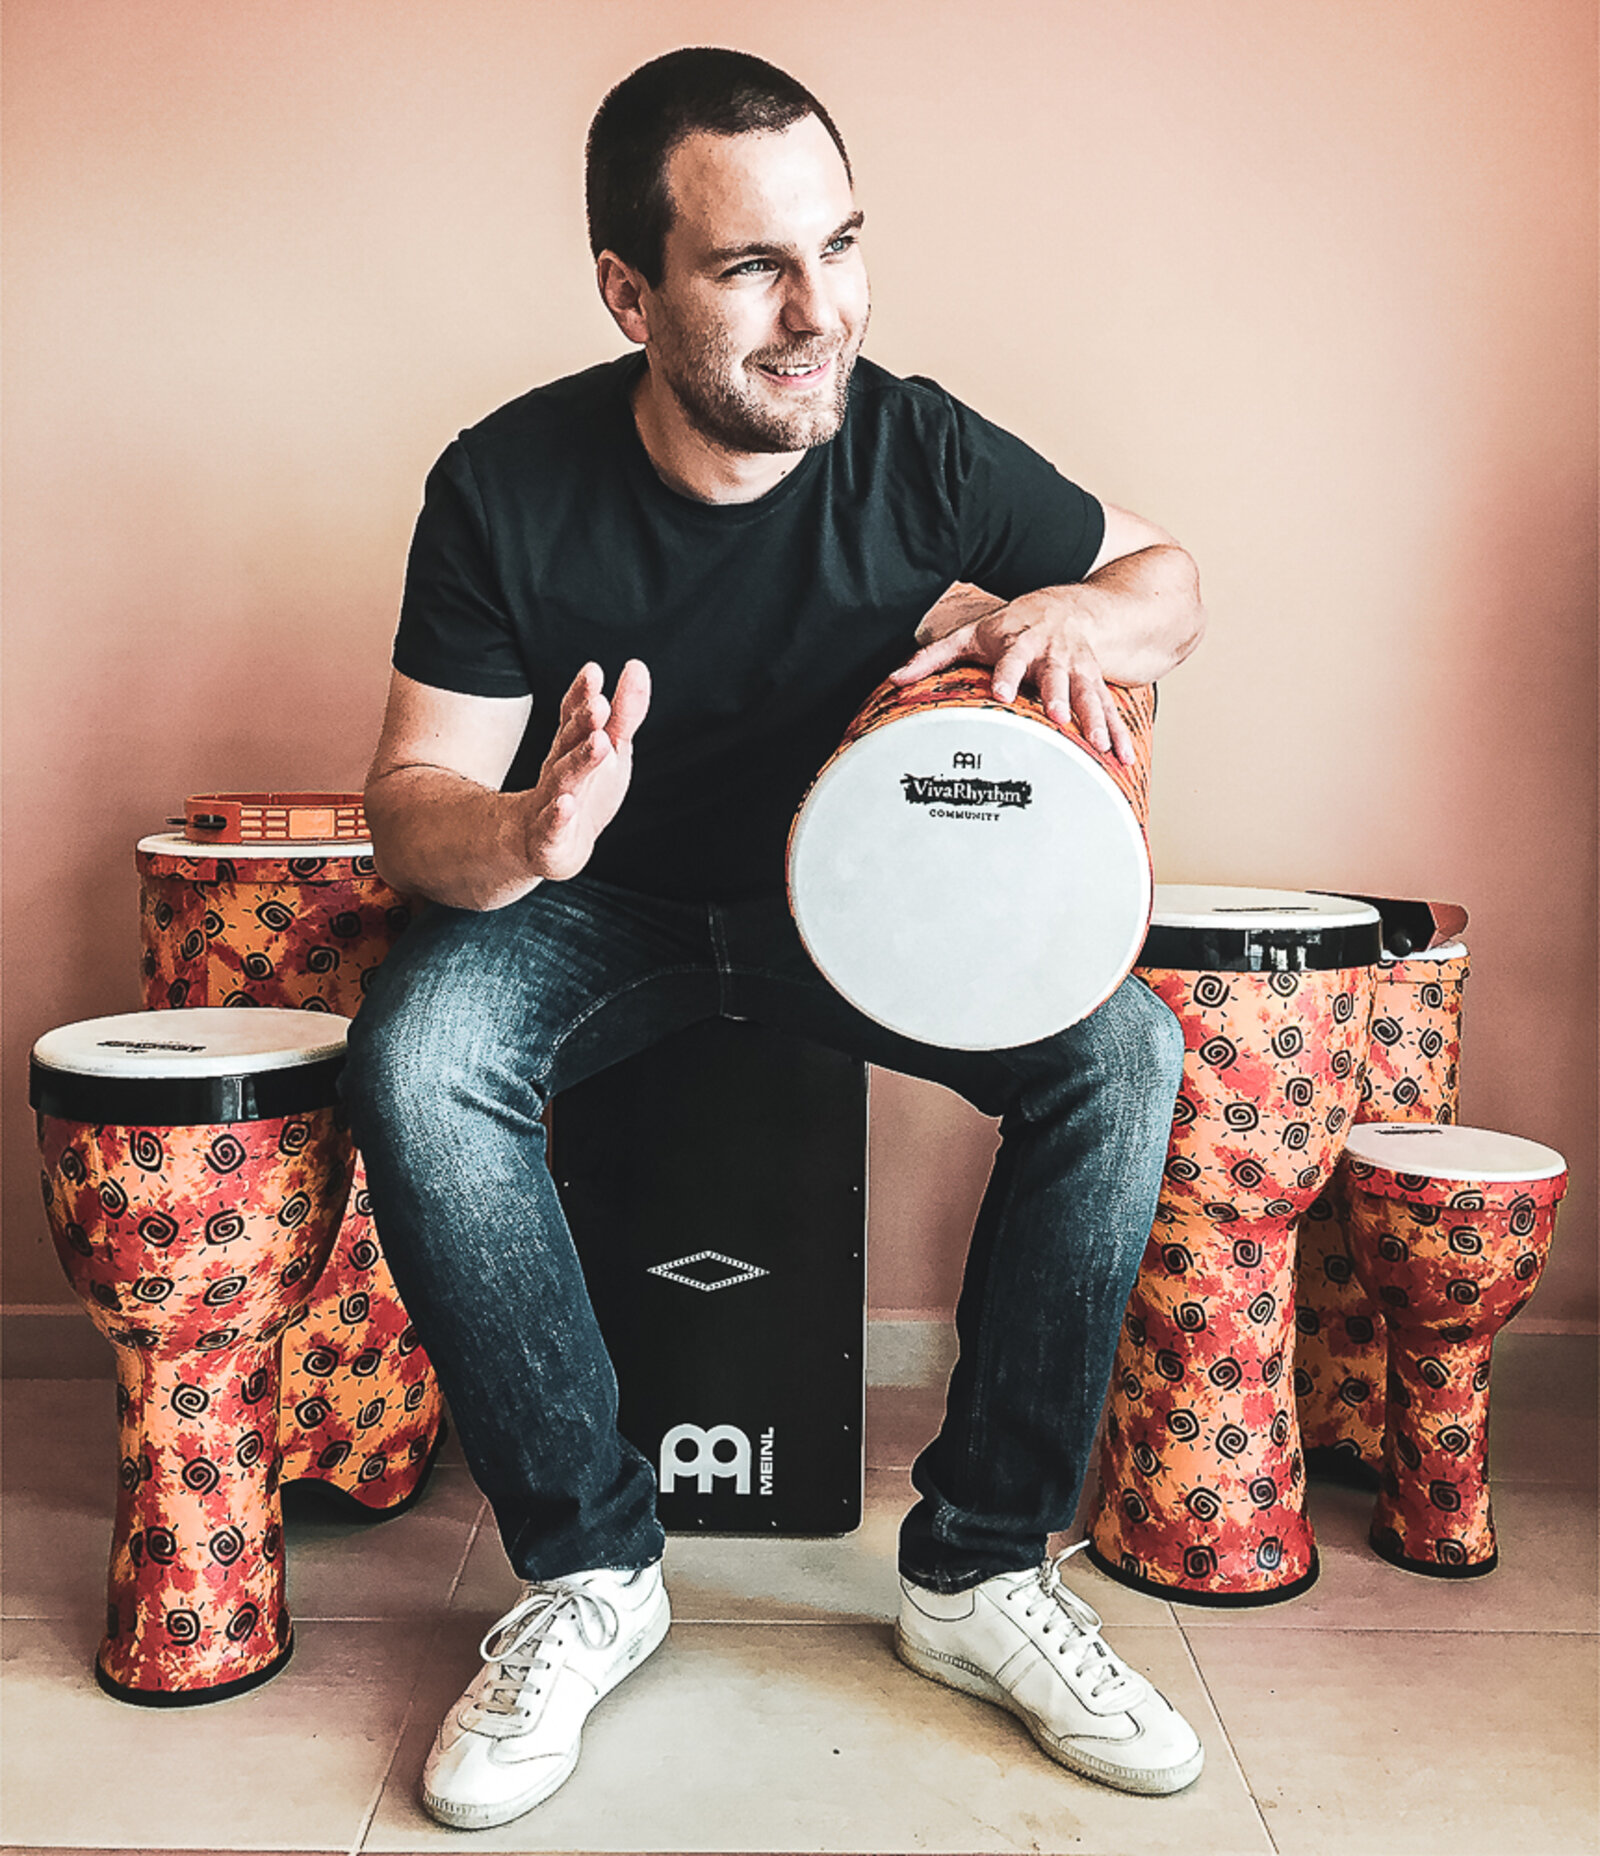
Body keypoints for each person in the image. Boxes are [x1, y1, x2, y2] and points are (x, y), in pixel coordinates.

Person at [345, 46, 1208, 1832]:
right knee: (421, 1052)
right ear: (629, 292)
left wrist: (1068, 612)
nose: (821, 313)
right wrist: (528, 829)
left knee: (1121, 1051)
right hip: (597, 910)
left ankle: (980, 1571)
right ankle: (590, 1571)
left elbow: (1169, 584)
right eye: (753, 267)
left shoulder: (916, 443)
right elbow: (410, 797)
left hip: (855, 913)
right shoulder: (505, 483)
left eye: (842, 246)